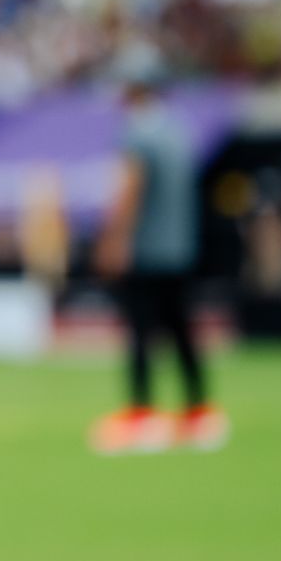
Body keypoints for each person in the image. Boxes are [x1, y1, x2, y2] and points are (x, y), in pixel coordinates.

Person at [90, 43, 228, 453]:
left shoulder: (138, 131)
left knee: (140, 333)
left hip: (146, 251)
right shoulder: (177, 129)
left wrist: (113, 241)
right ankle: (199, 414)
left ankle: (142, 415)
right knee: (182, 331)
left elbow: (130, 192)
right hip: (180, 250)